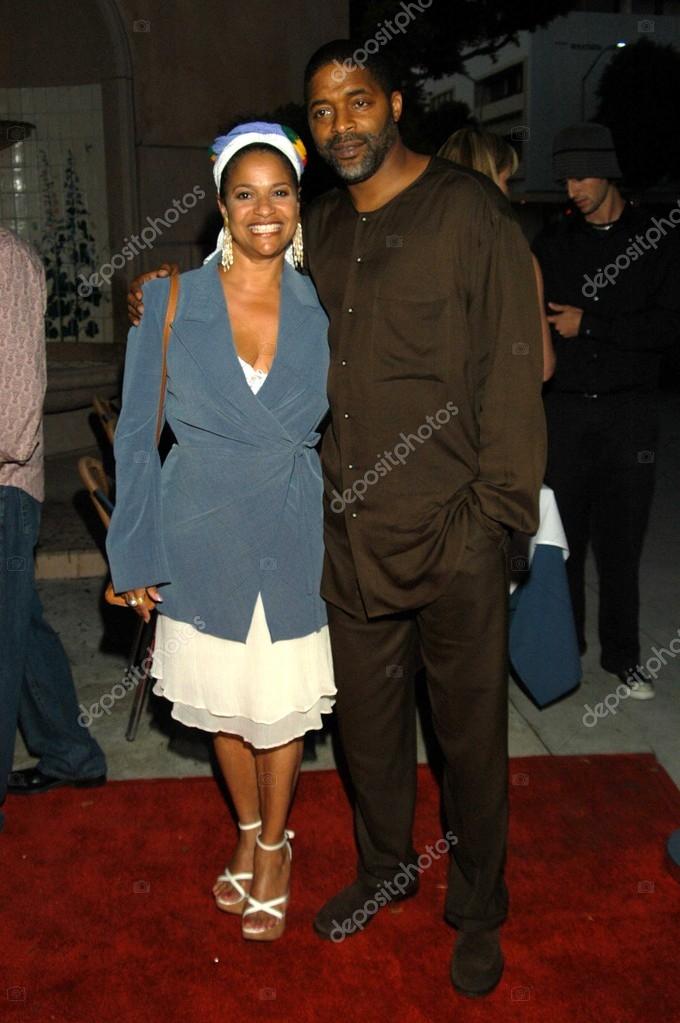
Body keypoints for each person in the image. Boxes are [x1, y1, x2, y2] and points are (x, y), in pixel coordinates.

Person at [128, 45, 546, 997]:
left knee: (470, 737)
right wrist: (161, 291)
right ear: (310, 131)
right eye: (323, 111)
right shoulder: (316, 224)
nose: (343, 122)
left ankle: (479, 905)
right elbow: (243, 270)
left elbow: (518, 374)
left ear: (395, 103)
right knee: (365, 730)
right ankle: (384, 867)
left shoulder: (471, 213)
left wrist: (497, 519)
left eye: (359, 100)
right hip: (344, 538)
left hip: (456, 535)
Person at [108, 123, 335, 941]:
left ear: (299, 203)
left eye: (280, 192)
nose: (263, 209)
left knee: (280, 710)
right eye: (245, 193)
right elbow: (137, 434)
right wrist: (134, 551)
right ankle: (246, 829)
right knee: (224, 712)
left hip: (291, 522)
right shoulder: (170, 299)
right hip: (197, 523)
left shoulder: (326, 297)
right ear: (220, 206)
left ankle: (276, 846)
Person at [532, 123, 680, 700]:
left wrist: (588, 324)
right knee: (562, 543)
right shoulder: (553, 241)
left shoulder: (658, 237)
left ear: (609, 171)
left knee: (622, 545)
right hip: (565, 413)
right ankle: (565, 654)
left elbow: (667, 327)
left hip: (629, 415)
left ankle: (624, 657)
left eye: (583, 175)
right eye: (566, 177)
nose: (574, 188)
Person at [0, 227, 106, 832]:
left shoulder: (7, 259)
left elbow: (14, 417)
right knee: (20, 625)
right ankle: (70, 751)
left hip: (5, 487)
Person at [439, 127, 555, 381]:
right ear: (488, 182)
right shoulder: (513, 258)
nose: (509, 193)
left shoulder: (413, 252)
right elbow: (541, 365)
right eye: (506, 181)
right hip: (490, 414)